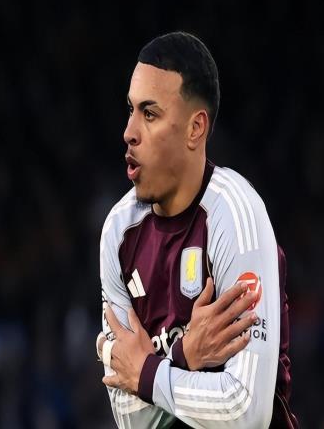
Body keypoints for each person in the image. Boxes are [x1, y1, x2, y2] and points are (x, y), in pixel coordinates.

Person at [96, 31, 298, 428]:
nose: (129, 132)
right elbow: (130, 420)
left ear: (195, 128)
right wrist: (184, 355)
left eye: (149, 114)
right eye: (130, 110)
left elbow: (247, 411)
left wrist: (149, 371)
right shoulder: (118, 232)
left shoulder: (235, 214)